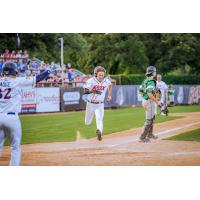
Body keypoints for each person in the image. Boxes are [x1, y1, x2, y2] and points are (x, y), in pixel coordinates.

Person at [0, 62, 55, 166]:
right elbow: (37, 78)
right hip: (12, 118)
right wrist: (49, 70)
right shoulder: (17, 81)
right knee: (15, 147)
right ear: (15, 71)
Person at [83, 66, 112, 141]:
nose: (101, 77)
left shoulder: (106, 81)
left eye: (102, 75)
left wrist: (109, 95)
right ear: (96, 74)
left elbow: (110, 85)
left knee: (99, 118)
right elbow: (85, 91)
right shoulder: (91, 81)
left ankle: (99, 131)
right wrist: (93, 91)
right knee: (87, 122)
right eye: (100, 75)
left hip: (100, 104)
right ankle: (97, 129)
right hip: (90, 104)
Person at [139, 66, 161, 143]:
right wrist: (157, 101)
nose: (155, 73)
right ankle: (142, 137)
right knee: (149, 120)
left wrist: (144, 99)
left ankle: (150, 134)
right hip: (149, 101)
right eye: (155, 72)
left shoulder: (145, 80)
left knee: (153, 117)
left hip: (147, 101)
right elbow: (149, 93)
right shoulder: (151, 81)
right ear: (153, 73)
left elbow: (140, 91)